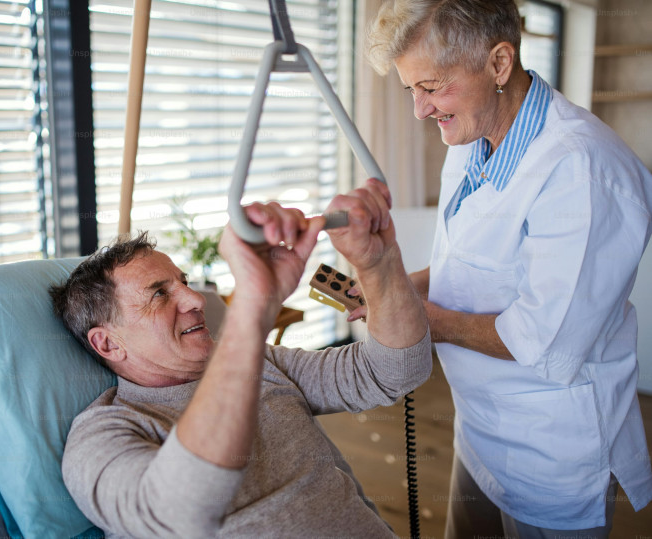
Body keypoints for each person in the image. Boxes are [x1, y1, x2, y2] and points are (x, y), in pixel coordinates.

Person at [361, 0, 652, 537]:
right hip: (478, 429)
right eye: (411, 91)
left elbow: (540, 338)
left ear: (498, 63)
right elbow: (466, 269)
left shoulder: (582, 171)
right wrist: (391, 286)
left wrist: (419, 318)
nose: (420, 111)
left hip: (553, 451)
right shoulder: (472, 134)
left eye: (432, 87)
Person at [50, 180, 432, 538]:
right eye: (159, 294)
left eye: (184, 281)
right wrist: (253, 307)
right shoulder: (103, 434)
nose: (196, 300)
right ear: (108, 344)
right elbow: (178, 513)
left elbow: (394, 371)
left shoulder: (262, 364)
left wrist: (378, 264)